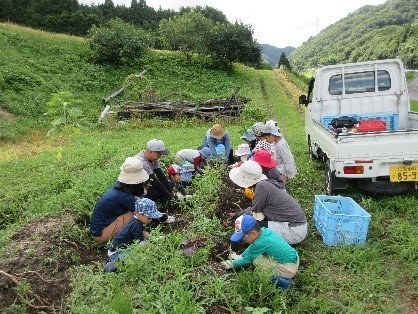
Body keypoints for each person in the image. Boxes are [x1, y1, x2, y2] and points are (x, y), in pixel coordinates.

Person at [229, 160, 307, 245]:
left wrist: (238, 216)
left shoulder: (261, 187)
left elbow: (253, 211)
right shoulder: (265, 184)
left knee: (254, 228)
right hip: (297, 226)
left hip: (293, 231)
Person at [221, 214, 299, 289]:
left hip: (289, 268)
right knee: (257, 256)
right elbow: (251, 248)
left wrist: (231, 264)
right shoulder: (264, 231)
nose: (243, 240)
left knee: (256, 261)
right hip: (293, 258)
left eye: (243, 238)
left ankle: (283, 282)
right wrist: (241, 256)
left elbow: (248, 259)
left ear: (253, 233)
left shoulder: (260, 243)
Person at [90, 157, 149, 243]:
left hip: (98, 229)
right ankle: (140, 239)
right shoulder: (123, 196)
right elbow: (144, 215)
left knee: (137, 210)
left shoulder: (120, 187)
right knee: (138, 215)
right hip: (101, 234)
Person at [104, 198, 163, 272]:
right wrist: (154, 248)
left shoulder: (138, 221)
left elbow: (143, 232)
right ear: (138, 214)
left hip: (126, 246)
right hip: (117, 252)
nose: (151, 220)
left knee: (137, 251)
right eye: (149, 217)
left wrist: (154, 239)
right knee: (132, 256)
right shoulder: (136, 225)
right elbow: (142, 244)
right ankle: (111, 265)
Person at [135, 139, 174, 206]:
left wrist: (170, 191)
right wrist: (169, 197)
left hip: (144, 184)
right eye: (159, 155)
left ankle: (165, 201)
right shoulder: (141, 161)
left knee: (169, 184)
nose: (159, 157)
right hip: (134, 189)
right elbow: (154, 181)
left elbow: (160, 175)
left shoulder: (152, 158)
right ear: (151, 152)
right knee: (155, 193)